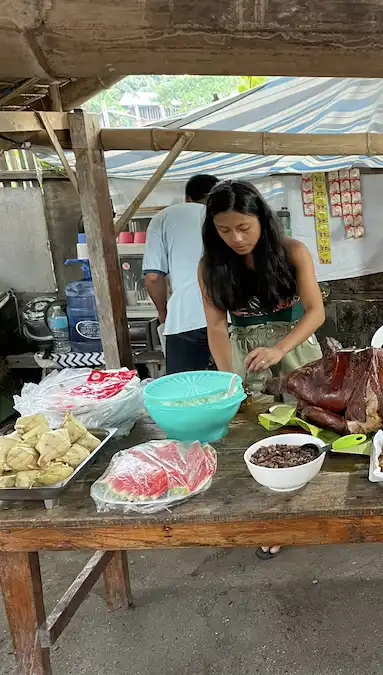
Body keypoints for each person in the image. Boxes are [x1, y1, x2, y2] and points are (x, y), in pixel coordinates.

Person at [198, 180, 326, 559]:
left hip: (295, 348)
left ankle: (311, 509)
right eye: (225, 230)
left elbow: (316, 312)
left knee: (305, 427)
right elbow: (217, 327)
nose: (236, 238)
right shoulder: (211, 267)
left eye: (244, 227)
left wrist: (279, 349)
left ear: (262, 221)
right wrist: (229, 379)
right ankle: (270, 520)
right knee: (253, 436)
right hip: (244, 354)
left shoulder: (293, 252)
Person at [143, 174, 220, 374]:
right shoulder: (225, 216)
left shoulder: (163, 218)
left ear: (187, 198)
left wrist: (163, 312)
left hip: (184, 319)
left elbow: (153, 277)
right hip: (228, 316)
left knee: (183, 393)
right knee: (232, 389)